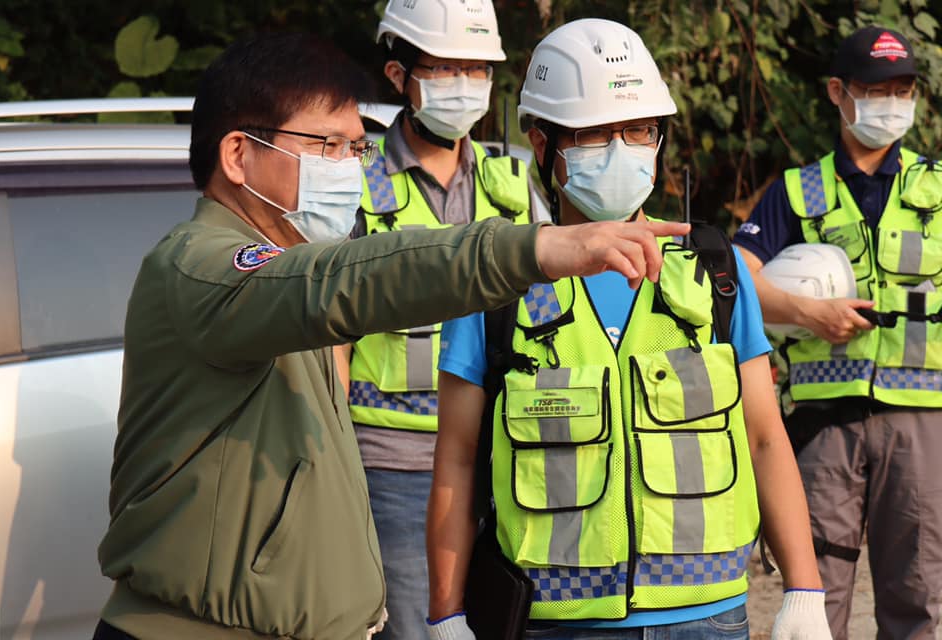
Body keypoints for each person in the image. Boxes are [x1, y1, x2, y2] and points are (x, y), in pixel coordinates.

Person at [93, 31, 691, 640]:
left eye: (356, 148)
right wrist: (531, 248)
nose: (349, 169)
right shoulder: (207, 265)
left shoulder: (281, 274)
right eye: (328, 146)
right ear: (238, 155)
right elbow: (346, 281)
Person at [427, 18, 832, 640]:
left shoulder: (714, 273)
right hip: (557, 623)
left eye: (639, 130)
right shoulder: (496, 288)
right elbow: (456, 460)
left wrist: (804, 592)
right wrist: (446, 613)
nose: (622, 149)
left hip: (708, 619)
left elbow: (764, 440)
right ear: (542, 143)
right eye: (593, 133)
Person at [733, 25, 942, 640]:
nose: (891, 102)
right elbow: (736, 279)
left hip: (923, 421)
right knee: (813, 596)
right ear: (836, 92)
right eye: (876, 89)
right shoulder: (796, 192)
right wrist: (806, 311)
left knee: (921, 596)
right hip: (823, 424)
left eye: (903, 90)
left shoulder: (937, 187)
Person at [336, 2, 532, 638]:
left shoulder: (514, 184)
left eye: (477, 70)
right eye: (445, 68)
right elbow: (330, 337)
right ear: (399, 75)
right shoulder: (356, 184)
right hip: (398, 462)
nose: (464, 84)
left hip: (503, 453)